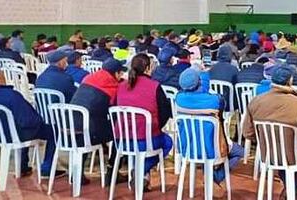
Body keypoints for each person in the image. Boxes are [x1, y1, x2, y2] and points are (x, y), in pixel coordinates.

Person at [0, 65, 64, 179]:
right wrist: (40, 120)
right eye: (2, 72)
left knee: (20, 126)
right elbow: (28, 121)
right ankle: (47, 167)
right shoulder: (12, 96)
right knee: (54, 130)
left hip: (1, 135)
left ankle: (23, 167)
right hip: (19, 135)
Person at [242, 64, 297, 199]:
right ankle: (292, 189)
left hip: (268, 154)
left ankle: (290, 189)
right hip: (293, 156)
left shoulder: (256, 101)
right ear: (290, 81)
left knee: (285, 153)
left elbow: (248, 133)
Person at [175, 67, 244, 184]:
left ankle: (211, 171)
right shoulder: (215, 100)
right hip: (213, 149)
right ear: (199, 82)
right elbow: (222, 108)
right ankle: (217, 175)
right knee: (241, 152)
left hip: (187, 148)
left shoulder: (178, 99)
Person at [116, 54, 173, 190]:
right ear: (148, 68)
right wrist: (156, 128)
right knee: (167, 142)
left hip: (122, 140)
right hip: (145, 139)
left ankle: (142, 175)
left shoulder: (121, 86)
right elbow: (165, 113)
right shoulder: (154, 86)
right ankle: (140, 170)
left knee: (144, 147)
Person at [70, 58, 125, 170]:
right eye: (121, 72)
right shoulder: (113, 86)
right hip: (89, 133)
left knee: (92, 122)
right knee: (120, 129)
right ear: (116, 73)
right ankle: (113, 168)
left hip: (70, 127)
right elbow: (114, 111)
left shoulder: (88, 77)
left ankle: (77, 173)